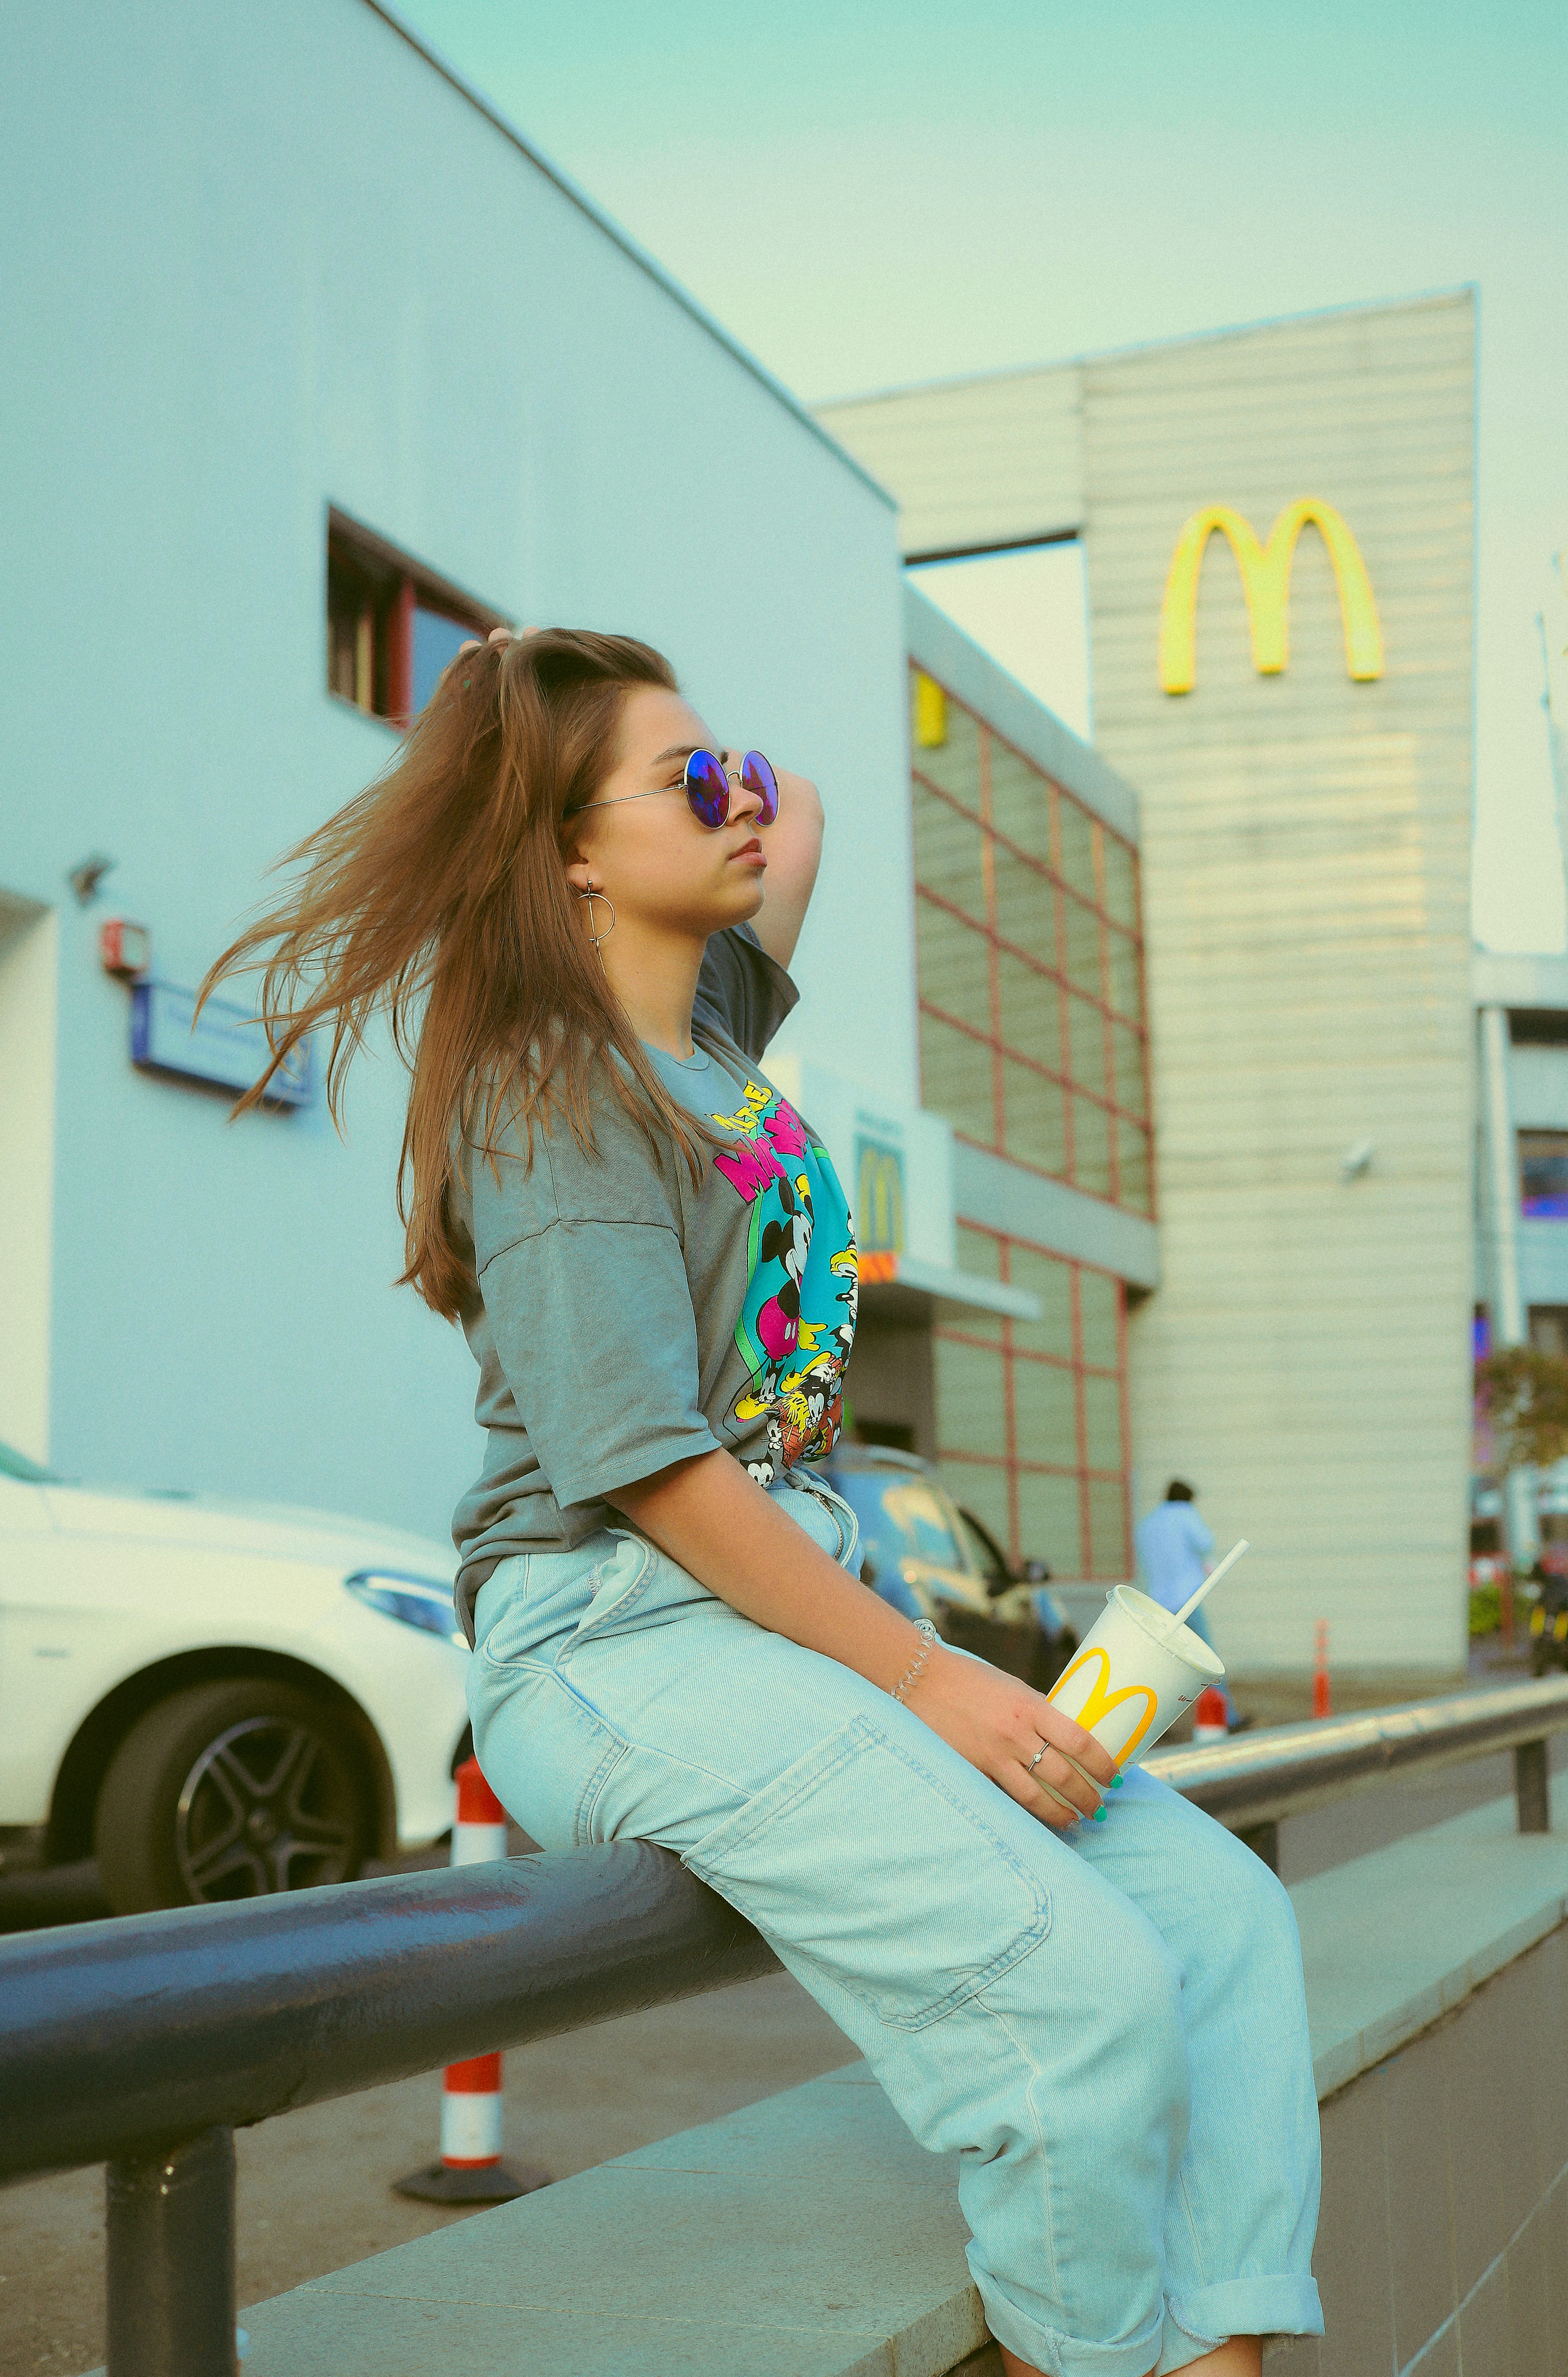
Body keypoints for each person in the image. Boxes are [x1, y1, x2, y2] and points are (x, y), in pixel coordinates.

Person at [199, 628, 1321, 2377]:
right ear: (568, 847)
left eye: (717, 766)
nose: (735, 801)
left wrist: (594, 699)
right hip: (610, 1629)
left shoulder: (711, 1024)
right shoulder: (552, 1088)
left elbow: (792, 809)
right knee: (1070, 1984)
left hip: (773, 1621)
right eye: (680, 779)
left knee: (1220, 1921)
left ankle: (1222, 2351)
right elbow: (647, 1464)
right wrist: (931, 1673)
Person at [1135, 1482, 1244, 1730]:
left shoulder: (1148, 1523)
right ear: (1187, 1499)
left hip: (1159, 1602)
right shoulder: (1185, 1514)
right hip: (1188, 1600)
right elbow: (1206, 1543)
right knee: (1208, 1661)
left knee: (1160, 1664)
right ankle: (1228, 1718)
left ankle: (1145, 1724)